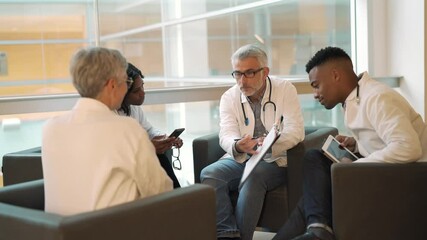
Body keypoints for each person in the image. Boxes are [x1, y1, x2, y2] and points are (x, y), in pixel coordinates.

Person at [273, 46, 427, 240]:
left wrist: (353, 168)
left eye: (316, 85)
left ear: (335, 75)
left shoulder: (378, 98)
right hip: (388, 172)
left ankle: (318, 230)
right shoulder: (357, 97)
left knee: (315, 187)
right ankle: (318, 229)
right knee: (314, 166)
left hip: (407, 179)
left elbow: (408, 147)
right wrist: (357, 143)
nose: (315, 94)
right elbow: (383, 136)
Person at [42, 47, 173, 215]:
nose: (127, 89)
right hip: (110, 229)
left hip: (60, 231)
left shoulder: (51, 128)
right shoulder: (126, 129)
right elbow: (161, 190)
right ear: (112, 84)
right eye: (126, 82)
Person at [200, 44, 305, 240]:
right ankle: (228, 234)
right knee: (210, 173)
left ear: (265, 72)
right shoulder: (229, 97)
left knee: (254, 175)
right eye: (237, 74)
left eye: (249, 73)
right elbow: (226, 133)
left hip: (274, 159)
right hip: (243, 156)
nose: (242, 81)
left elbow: (296, 130)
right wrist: (238, 145)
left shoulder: (284, 89)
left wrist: (272, 143)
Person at [116, 62, 182, 188]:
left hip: (139, 160)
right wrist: (148, 147)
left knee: (159, 158)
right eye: (136, 91)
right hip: (129, 165)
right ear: (123, 92)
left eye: (142, 87)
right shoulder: (112, 116)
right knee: (158, 158)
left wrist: (165, 137)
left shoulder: (134, 108)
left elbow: (149, 130)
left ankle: (175, 195)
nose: (143, 93)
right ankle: (176, 195)